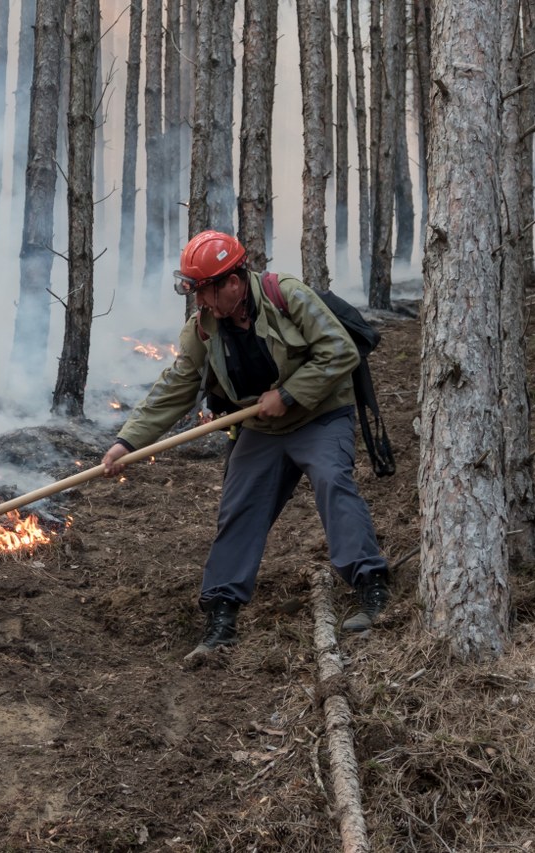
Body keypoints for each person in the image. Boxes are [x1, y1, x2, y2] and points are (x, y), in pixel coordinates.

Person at [102, 230, 390, 661]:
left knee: (333, 481)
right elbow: (175, 388)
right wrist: (127, 441)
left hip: (320, 414)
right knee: (239, 509)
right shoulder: (202, 330)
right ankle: (221, 613)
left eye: (205, 291)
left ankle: (371, 585)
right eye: (196, 292)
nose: (201, 301)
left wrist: (289, 394)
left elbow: (339, 351)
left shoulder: (287, 296)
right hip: (261, 428)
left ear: (233, 283)